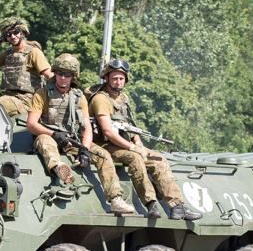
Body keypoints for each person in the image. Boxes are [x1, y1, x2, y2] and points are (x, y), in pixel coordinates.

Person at [90, 58, 202, 221]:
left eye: (121, 78)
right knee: (135, 158)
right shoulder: (101, 99)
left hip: (124, 143)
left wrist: (138, 143)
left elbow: (130, 125)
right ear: (106, 78)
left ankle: (177, 206)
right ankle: (151, 204)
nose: (118, 82)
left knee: (158, 159)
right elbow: (108, 131)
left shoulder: (123, 98)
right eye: (114, 78)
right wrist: (133, 148)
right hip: (106, 145)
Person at [26, 54, 135, 216]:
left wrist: (84, 149)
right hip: (48, 136)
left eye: (67, 74)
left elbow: (86, 127)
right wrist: (54, 134)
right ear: (54, 73)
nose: (63, 78)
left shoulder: (79, 97)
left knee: (103, 155)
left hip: (72, 141)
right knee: (44, 141)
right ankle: (58, 168)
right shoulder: (42, 94)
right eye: (60, 73)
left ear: (73, 76)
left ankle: (115, 199)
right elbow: (31, 124)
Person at [0, 17, 53, 117]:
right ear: (5, 38)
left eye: (16, 32)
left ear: (22, 32)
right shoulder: (8, 54)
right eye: (8, 35)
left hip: (25, 100)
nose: (13, 36)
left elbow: (49, 75)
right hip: (7, 97)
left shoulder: (33, 52)